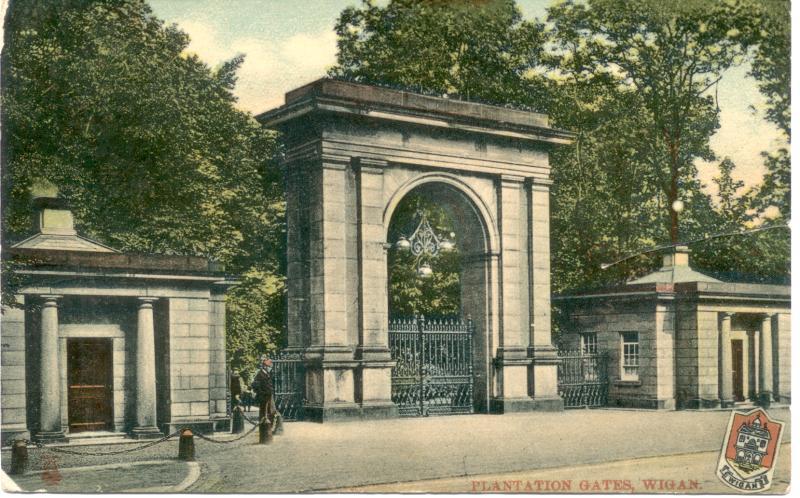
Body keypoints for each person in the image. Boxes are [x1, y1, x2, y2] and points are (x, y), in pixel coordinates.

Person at [251, 354, 279, 433]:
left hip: (269, 396)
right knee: (264, 413)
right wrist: (262, 394)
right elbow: (254, 385)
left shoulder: (267, 374)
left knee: (271, 413)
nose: (270, 369)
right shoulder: (260, 374)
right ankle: (264, 430)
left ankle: (269, 428)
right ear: (265, 366)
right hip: (264, 397)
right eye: (270, 367)